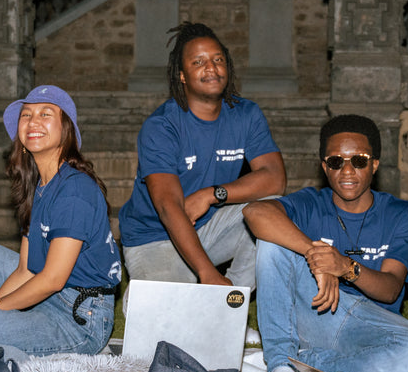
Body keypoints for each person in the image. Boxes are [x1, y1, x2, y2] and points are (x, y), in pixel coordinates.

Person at [244, 115, 408, 372]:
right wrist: (316, 255)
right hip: (316, 311)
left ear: (374, 164)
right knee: (272, 240)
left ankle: (304, 364)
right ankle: (281, 365)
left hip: (369, 326)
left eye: (359, 160)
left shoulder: (400, 213)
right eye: (336, 161)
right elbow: (254, 211)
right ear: (325, 167)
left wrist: (345, 267)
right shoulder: (312, 202)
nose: (347, 171)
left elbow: (391, 289)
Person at [0, 86, 121, 355]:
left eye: (45, 114)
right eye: (26, 115)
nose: (33, 121)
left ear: (66, 129)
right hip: (46, 291)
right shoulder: (39, 185)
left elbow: (52, 280)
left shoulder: (75, 190)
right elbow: (26, 270)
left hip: (80, 318)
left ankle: (54, 347)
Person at [117, 22, 286, 287]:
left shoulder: (246, 114)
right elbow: (168, 207)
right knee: (172, 311)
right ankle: (160, 292)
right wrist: (207, 272)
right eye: (198, 62)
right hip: (156, 237)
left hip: (210, 227)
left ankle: (232, 299)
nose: (211, 67)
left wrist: (212, 194)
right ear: (182, 75)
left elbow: (275, 178)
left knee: (275, 208)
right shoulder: (162, 126)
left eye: (218, 59)